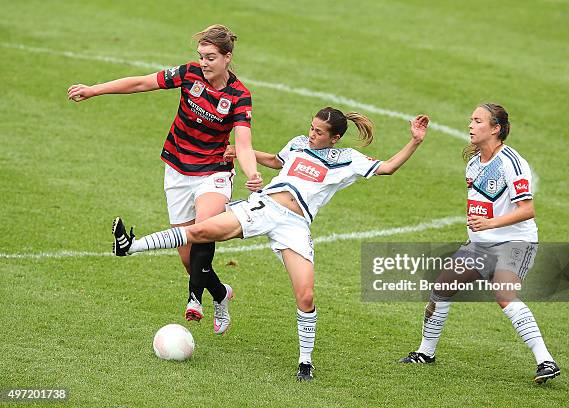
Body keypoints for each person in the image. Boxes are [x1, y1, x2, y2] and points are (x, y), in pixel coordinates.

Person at [111, 106, 430, 381]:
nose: (311, 134)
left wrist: (414, 142)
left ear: (334, 138)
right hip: (262, 207)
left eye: (319, 132)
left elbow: (387, 167)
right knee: (200, 231)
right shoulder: (298, 144)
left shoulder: (348, 159)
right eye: (311, 127)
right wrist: (243, 152)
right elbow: (277, 161)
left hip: (295, 224)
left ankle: (305, 363)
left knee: (305, 295)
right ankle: (131, 245)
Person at [67, 25, 263, 334]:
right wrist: (94, 89)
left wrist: (252, 173)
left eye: (211, 57)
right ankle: (221, 293)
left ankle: (194, 300)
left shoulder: (239, 96)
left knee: (204, 227)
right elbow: (142, 83)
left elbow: (243, 143)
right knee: (189, 261)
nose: (204, 63)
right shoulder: (188, 74)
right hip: (177, 170)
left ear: (228, 57)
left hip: (213, 172)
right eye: (201, 56)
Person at [399, 103, 560, 384]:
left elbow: (527, 210)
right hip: (481, 245)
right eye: (471, 120)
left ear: (495, 129)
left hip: (514, 242)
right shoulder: (474, 163)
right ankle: (426, 353)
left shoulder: (512, 162)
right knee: (442, 287)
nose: (470, 126)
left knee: (503, 292)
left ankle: (545, 360)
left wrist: (490, 225)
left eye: (477, 121)